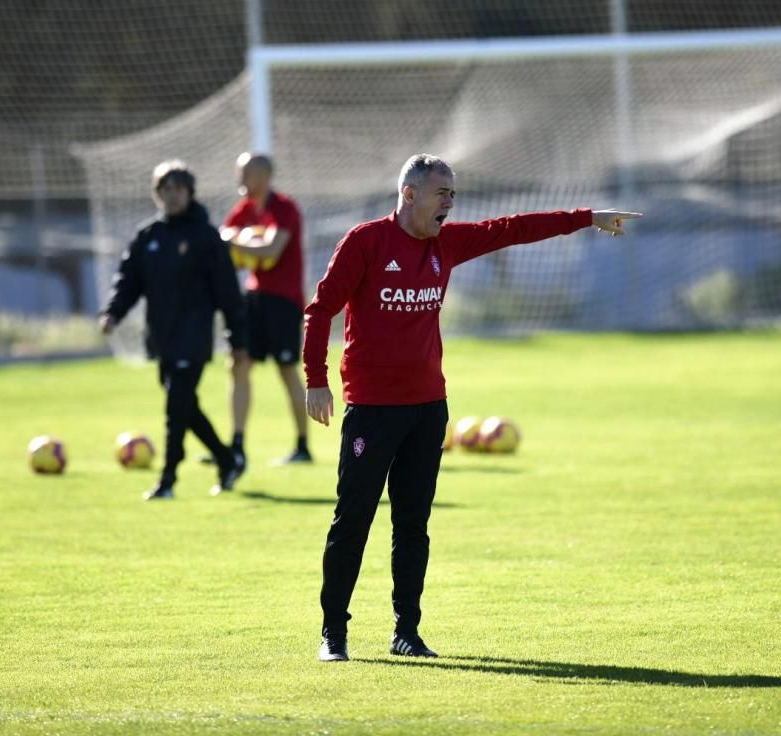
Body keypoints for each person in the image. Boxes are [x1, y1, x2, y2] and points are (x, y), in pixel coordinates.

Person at [303, 154, 641, 662]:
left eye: (453, 195)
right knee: (353, 521)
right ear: (410, 195)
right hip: (372, 409)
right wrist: (316, 382)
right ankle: (334, 633)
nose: (451, 204)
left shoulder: (447, 244)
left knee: (413, 525)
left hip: (428, 409)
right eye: (442, 194)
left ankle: (406, 632)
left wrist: (586, 218)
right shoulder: (365, 242)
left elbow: (511, 230)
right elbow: (320, 309)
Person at [99, 160, 250, 499]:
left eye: (178, 189)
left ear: (190, 193)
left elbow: (228, 292)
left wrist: (237, 338)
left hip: (194, 336)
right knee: (183, 406)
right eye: (165, 189)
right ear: (157, 194)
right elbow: (128, 281)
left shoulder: (206, 237)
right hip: (162, 336)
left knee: (175, 408)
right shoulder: (148, 237)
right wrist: (113, 313)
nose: (172, 195)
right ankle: (228, 460)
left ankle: (168, 479)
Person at [218, 152, 311, 468]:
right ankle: (237, 444)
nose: (240, 180)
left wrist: (234, 244)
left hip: (284, 301)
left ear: (264, 177)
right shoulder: (243, 210)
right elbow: (221, 239)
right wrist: (234, 242)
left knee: (287, 370)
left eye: (246, 174)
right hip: (254, 298)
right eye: (239, 173)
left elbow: (272, 249)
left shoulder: (285, 208)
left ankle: (302, 446)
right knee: (238, 363)